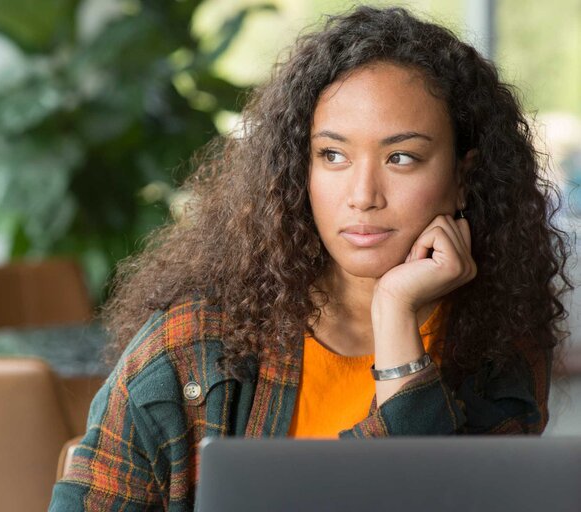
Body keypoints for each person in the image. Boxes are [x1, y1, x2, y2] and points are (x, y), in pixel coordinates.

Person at [50, 5, 572, 511]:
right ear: (299, 170)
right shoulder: (190, 349)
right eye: (333, 155)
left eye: (401, 157)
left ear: (462, 178)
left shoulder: (497, 345)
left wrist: (394, 315)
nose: (363, 194)